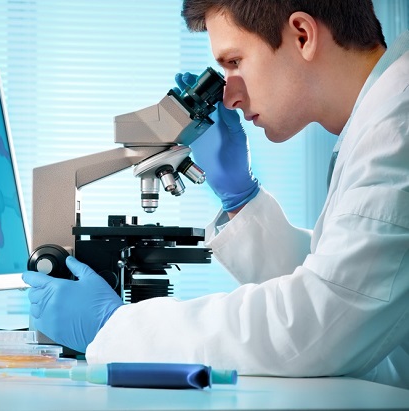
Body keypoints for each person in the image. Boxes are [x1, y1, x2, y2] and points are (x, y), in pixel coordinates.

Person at [22, 0, 409, 389]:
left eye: (235, 62)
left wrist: (116, 327)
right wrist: (241, 198)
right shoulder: (380, 120)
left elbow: (320, 321)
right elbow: (350, 289)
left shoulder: (397, 130)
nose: (228, 97)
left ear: (303, 36)